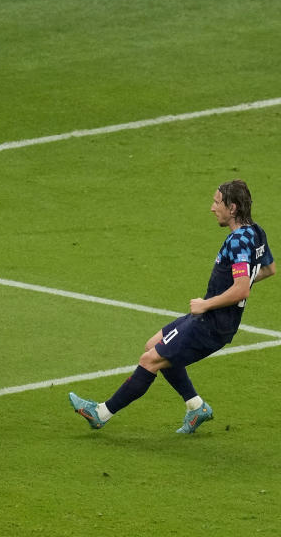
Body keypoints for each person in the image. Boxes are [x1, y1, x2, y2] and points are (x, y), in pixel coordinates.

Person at [70, 179, 275, 433]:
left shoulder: (237, 241)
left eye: (217, 202)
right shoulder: (256, 232)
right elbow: (268, 269)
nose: (212, 208)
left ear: (232, 208)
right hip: (212, 319)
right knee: (153, 345)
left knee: (149, 360)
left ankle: (100, 413)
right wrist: (233, 289)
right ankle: (196, 406)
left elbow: (242, 288)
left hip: (212, 323)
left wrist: (207, 303)